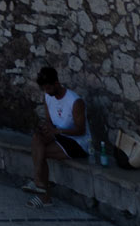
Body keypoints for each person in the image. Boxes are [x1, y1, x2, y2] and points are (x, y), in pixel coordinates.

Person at [26, 63, 92, 205]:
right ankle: (40, 186)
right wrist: (46, 129)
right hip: (59, 136)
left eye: (48, 88)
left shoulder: (75, 101)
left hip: (77, 142)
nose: (47, 91)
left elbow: (81, 130)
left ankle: (41, 189)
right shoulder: (48, 97)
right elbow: (49, 121)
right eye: (44, 89)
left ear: (57, 83)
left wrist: (58, 131)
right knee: (37, 138)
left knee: (40, 152)